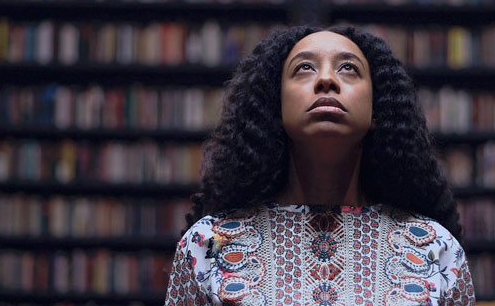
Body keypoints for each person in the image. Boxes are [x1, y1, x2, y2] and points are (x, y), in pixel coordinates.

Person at [164, 25, 475, 306]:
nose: (327, 79)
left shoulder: (435, 248)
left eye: (349, 69)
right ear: (276, 105)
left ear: (377, 108)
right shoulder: (207, 245)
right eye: (305, 68)